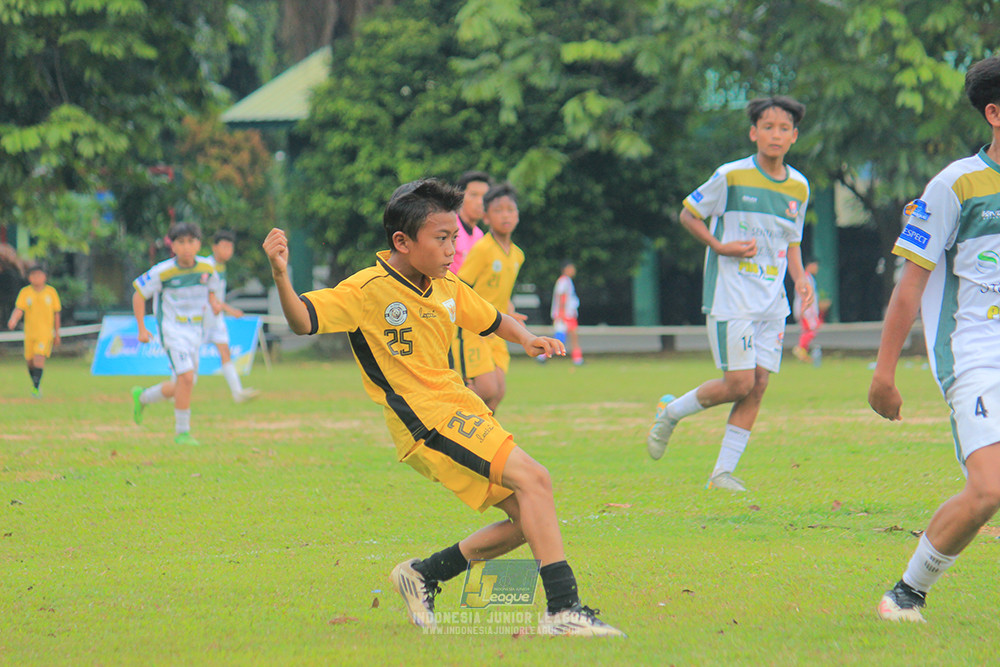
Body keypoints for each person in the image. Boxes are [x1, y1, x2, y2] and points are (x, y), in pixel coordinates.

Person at [262, 178, 623, 637]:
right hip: (425, 421)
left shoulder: (445, 283)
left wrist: (529, 338)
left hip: (460, 407)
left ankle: (423, 575)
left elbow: (491, 318)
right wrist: (280, 275)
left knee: (527, 516)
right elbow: (302, 320)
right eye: (442, 238)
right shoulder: (366, 290)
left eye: (455, 237)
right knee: (537, 481)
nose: (454, 248)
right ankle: (564, 611)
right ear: (402, 242)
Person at [868, 56, 1000, 623]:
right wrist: (884, 372)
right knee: (990, 489)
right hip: (975, 354)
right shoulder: (954, 184)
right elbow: (910, 284)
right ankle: (906, 593)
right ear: (994, 113)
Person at [647, 96, 814, 492]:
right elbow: (689, 214)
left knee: (758, 384)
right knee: (739, 382)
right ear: (753, 133)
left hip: (773, 302)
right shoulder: (731, 176)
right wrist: (720, 247)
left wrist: (801, 278)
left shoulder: (799, 186)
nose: (776, 134)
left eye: (784, 128)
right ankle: (670, 412)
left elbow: (792, 241)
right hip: (732, 296)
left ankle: (721, 473)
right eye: (768, 127)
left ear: (794, 136)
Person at [130, 222, 221, 446]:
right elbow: (139, 295)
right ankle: (182, 432)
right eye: (181, 242)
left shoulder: (208, 268)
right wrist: (142, 328)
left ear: (199, 244)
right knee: (187, 378)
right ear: (173, 246)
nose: (187, 247)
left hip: (195, 332)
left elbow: (212, 290)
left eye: (191, 241)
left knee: (182, 384)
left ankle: (142, 396)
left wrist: (214, 303)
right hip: (171, 331)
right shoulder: (163, 271)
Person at [457, 183, 526, 412]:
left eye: (510, 209)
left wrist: (508, 309)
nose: (505, 215)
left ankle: (480, 443)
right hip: (473, 328)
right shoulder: (482, 249)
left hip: (497, 330)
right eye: (498, 210)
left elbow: (500, 292)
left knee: (498, 393)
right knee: (486, 389)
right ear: (486, 217)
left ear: (517, 215)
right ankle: (447, 420)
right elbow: (460, 286)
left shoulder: (517, 255)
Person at [447, 171, 494, 387]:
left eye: (484, 197)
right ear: (460, 197)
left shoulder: (480, 236)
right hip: (447, 311)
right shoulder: (448, 228)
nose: (479, 202)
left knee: (485, 388)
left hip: (469, 313)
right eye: (473, 195)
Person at [201, 230, 259, 403]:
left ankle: (237, 393)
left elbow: (218, 297)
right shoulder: (207, 266)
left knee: (225, 351)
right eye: (224, 246)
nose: (228, 250)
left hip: (216, 319)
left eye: (230, 247)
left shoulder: (222, 267)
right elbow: (204, 294)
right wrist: (230, 310)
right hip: (201, 319)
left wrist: (225, 308)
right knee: (189, 357)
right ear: (214, 247)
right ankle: (174, 391)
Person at [7, 265, 61, 397]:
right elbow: (19, 308)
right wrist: (13, 320)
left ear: (44, 277)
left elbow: (56, 313)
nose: (36, 278)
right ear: (29, 278)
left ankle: (36, 389)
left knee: (39, 357)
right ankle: (35, 383)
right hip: (30, 333)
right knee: (30, 362)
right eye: (33, 275)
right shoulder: (25, 292)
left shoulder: (51, 292)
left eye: (39, 275)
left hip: (45, 333)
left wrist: (57, 333)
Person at [550, 260, 583, 365]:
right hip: (565, 315)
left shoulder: (567, 281)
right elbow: (562, 297)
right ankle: (542, 355)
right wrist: (561, 313)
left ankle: (577, 359)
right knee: (560, 339)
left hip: (568, 314)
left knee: (571, 336)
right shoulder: (563, 281)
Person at [792, 258, 824, 364]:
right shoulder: (805, 277)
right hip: (806, 310)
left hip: (809, 309)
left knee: (809, 329)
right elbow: (804, 295)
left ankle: (803, 351)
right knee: (812, 329)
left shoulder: (810, 278)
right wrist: (804, 309)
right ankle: (800, 348)